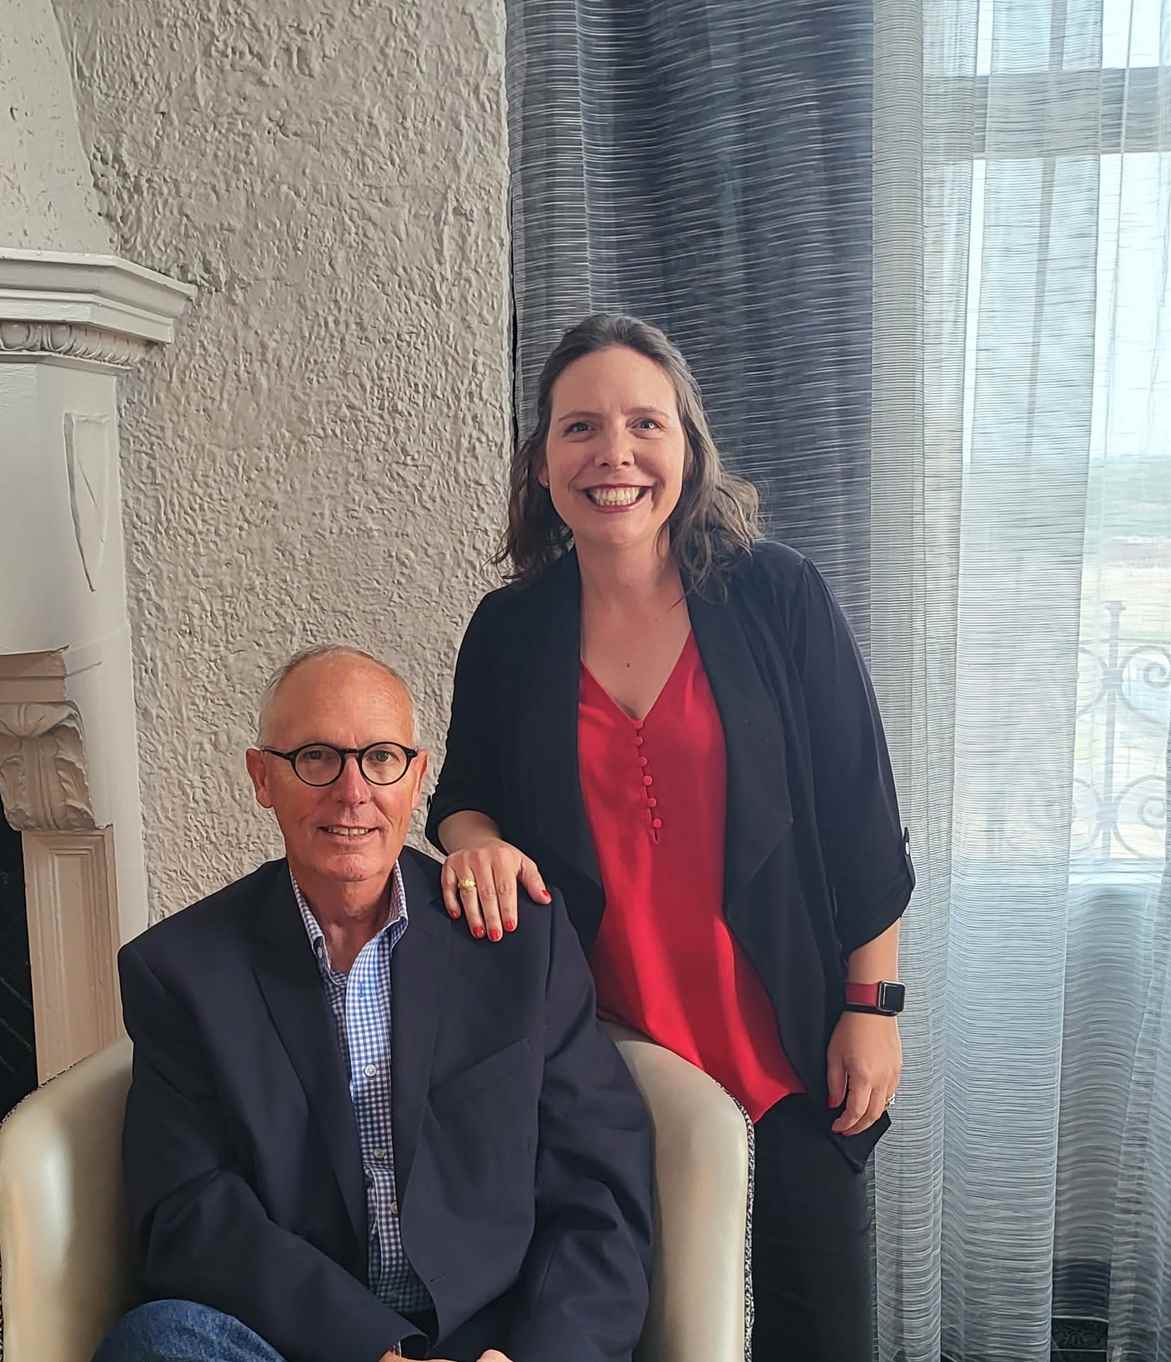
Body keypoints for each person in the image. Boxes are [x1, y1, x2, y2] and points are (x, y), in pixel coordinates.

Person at [429, 313, 914, 1362]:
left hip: (791, 1049)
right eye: (580, 428)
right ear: (542, 462)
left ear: (687, 448)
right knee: (640, 1332)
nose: (614, 454)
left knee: (821, 1333)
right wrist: (476, 842)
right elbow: (460, 798)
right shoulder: (508, 632)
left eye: (645, 424)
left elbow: (864, 820)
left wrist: (871, 1008)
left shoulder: (777, 596)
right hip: (609, 1067)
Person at [92, 645, 654, 1362]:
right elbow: (189, 1211)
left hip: (494, 1341)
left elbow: (599, 1184)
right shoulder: (181, 972)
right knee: (160, 1343)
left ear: (416, 778)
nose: (353, 791)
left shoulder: (518, 940)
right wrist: (371, 1349)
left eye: (381, 758)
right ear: (262, 778)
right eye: (317, 758)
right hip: (305, 1341)